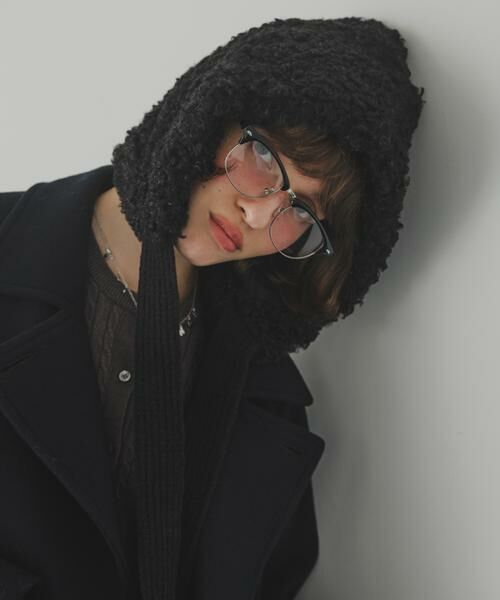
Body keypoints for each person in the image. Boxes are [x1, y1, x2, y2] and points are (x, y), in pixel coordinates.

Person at [0, 16, 425, 600]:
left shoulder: (265, 391)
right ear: (206, 116)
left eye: (301, 210)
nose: (261, 215)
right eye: (264, 159)